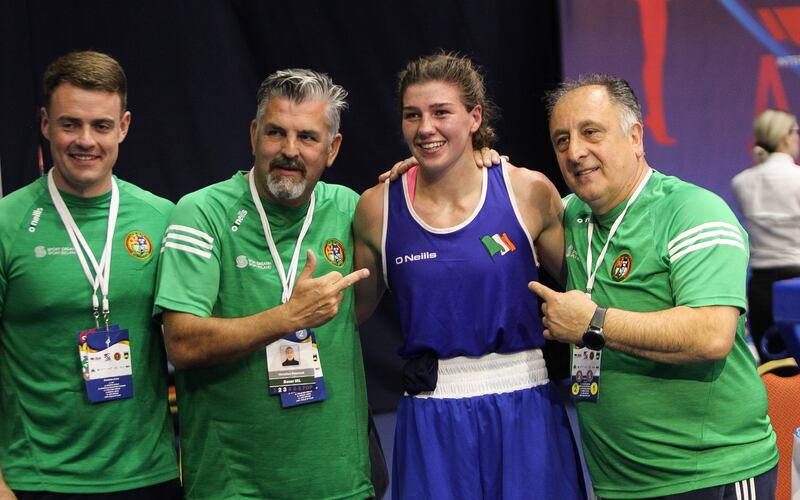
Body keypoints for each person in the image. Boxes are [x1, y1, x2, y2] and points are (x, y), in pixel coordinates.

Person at [529, 74, 778, 499]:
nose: (575, 151)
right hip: (617, 484)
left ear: (636, 138)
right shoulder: (571, 218)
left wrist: (593, 323)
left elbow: (711, 335)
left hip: (712, 474)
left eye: (591, 132)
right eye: (562, 140)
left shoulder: (693, 211)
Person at [354, 53, 585, 500]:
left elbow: (588, 283)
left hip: (528, 406)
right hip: (430, 415)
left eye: (441, 112)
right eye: (412, 115)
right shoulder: (377, 208)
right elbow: (349, 316)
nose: (425, 128)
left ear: (474, 116)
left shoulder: (526, 191)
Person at [153, 68, 375, 499]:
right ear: (254, 134)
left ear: (333, 148)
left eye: (308, 138)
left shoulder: (354, 209)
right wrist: (288, 317)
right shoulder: (201, 213)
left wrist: (480, 157)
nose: (289, 151)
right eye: (276, 132)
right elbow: (180, 342)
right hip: (234, 487)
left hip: (341, 485)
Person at [0, 51, 180, 498]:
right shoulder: (6, 224)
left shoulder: (164, 219)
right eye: (69, 124)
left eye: (101, 125)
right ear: (45, 123)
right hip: (35, 480)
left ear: (123, 126)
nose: (85, 140)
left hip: (150, 475)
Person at [732, 109, 800, 361]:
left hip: (760, 288)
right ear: (785, 137)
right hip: (796, 283)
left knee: (772, 370)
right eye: (796, 132)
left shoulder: (741, 182)